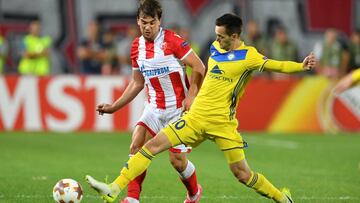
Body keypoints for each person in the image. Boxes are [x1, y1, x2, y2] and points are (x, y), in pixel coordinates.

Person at [86, 13, 316, 203]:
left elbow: (277, 65)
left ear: (235, 36)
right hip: (195, 118)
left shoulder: (249, 56)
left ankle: (282, 199)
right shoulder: (216, 48)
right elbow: (202, 72)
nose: (216, 39)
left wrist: (301, 66)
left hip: (222, 124)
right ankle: (114, 188)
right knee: (151, 146)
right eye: (216, 34)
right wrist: (193, 94)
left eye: (221, 36)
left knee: (242, 174)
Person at [93, 1, 205, 203]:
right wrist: (114, 107)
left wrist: (191, 96)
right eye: (143, 22)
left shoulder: (173, 41)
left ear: (159, 21)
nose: (147, 27)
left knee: (177, 161)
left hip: (177, 110)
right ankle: (132, 199)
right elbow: (137, 82)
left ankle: (194, 193)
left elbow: (199, 66)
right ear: (138, 21)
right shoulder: (136, 47)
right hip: (153, 108)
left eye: (152, 22)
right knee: (135, 146)